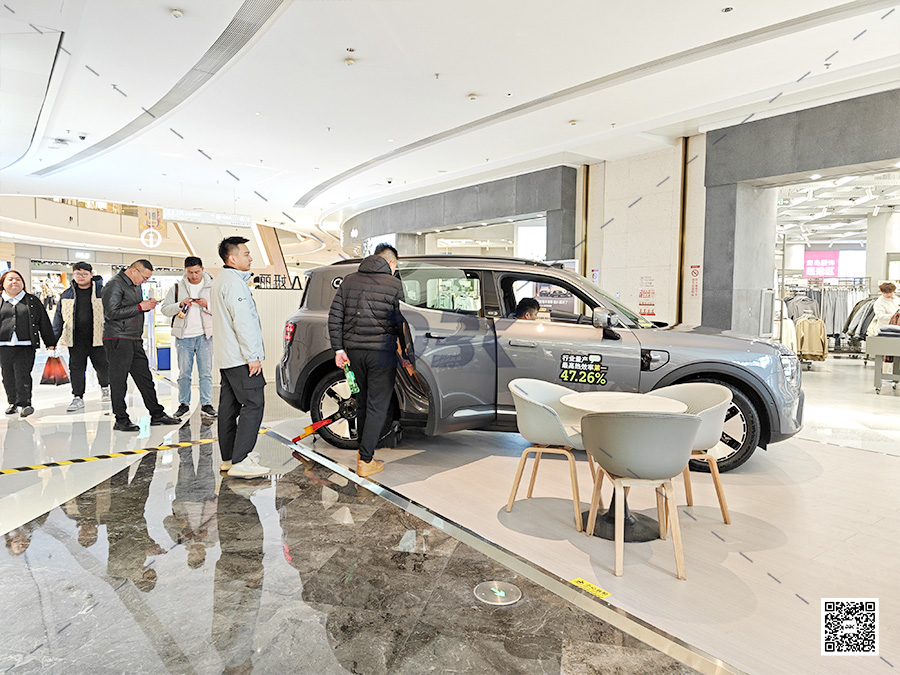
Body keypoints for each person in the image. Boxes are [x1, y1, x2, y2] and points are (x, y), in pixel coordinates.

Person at [328, 243, 411, 477]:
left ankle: (363, 453)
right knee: (377, 405)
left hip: (354, 352)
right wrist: (406, 353)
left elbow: (335, 316)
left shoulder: (349, 280)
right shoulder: (394, 284)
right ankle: (365, 460)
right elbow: (401, 322)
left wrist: (338, 349)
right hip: (382, 353)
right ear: (391, 263)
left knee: (362, 401)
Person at [211, 237, 269, 478]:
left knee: (229, 407)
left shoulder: (221, 280)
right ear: (232, 258)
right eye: (246, 254)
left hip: (227, 358)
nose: (250, 258)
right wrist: (252, 355)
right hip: (241, 358)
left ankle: (229, 458)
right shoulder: (235, 284)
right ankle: (242, 459)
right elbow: (243, 322)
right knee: (254, 404)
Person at [101, 260, 180, 432]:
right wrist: (140, 306)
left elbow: (131, 308)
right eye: (144, 277)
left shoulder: (135, 285)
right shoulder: (114, 284)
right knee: (119, 381)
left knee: (145, 378)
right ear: (134, 271)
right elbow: (111, 313)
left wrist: (145, 306)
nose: (144, 281)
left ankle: (157, 413)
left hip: (133, 338)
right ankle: (121, 419)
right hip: (118, 338)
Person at [52, 262, 111, 412]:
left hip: (98, 338)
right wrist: (52, 339)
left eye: (85, 274)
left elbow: (111, 314)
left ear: (91, 274)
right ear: (73, 275)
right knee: (76, 368)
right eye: (78, 274)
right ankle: (78, 397)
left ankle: (105, 388)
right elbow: (58, 318)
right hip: (75, 339)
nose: (81, 277)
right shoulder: (67, 294)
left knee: (102, 366)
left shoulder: (102, 292)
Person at [161, 256, 216, 418]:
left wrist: (207, 305)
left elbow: (222, 310)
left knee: (206, 373)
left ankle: (206, 404)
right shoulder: (177, 288)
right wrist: (180, 304)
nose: (194, 275)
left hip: (205, 336)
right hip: (183, 337)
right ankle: (184, 404)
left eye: (197, 272)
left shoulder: (212, 287)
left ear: (202, 269)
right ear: (185, 271)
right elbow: (165, 309)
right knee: (184, 373)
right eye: (190, 272)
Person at [0, 269, 58, 417]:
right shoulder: (1, 300)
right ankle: (13, 402)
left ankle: (25, 403)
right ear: (3, 283)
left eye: (18, 279)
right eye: (10, 279)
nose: (14, 282)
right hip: (3, 345)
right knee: (7, 375)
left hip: (25, 345)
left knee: (23, 374)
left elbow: (43, 321)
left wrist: (50, 341)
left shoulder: (31, 300)